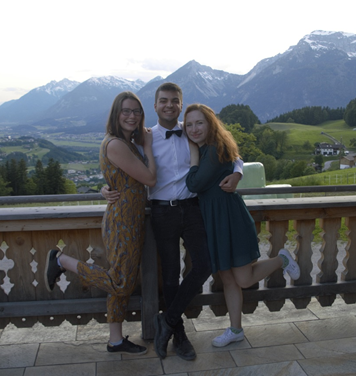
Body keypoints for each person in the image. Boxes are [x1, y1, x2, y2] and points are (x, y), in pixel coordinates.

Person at [102, 83, 243, 361]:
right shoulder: (144, 137)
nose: (169, 105)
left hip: (193, 208)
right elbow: (118, 165)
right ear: (154, 107)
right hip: (161, 212)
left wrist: (238, 172)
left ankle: (167, 320)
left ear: (181, 104)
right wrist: (104, 188)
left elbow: (229, 151)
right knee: (170, 276)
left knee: (203, 265)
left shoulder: (192, 129)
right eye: (163, 101)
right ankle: (179, 335)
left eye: (174, 101)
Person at [44, 91, 156, 355]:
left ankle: (115, 340)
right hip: (122, 222)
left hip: (130, 219)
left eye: (136, 111)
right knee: (120, 283)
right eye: (126, 111)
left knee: (120, 281)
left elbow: (122, 179)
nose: (131, 116)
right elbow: (150, 179)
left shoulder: (126, 142)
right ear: (116, 114)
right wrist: (148, 146)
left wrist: (107, 188)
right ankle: (62, 261)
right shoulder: (117, 144)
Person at [184, 103, 300, 348]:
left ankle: (282, 260)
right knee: (227, 278)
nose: (194, 129)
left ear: (210, 124)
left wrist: (194, 156)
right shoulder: (209, 147)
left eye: (199, 123)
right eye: (189, 124)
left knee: (243, 278)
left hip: (229, 219)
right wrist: (237, 171)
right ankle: (235, 329)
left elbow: (194, 184)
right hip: (213, 221)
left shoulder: (213, 149)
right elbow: (237, 159)